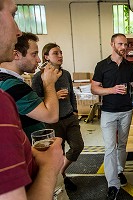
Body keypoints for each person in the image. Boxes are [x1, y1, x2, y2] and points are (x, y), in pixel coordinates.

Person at [0, 0, 64, 199]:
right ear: (16, 54)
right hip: (36, 176)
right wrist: (49, 166)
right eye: (13, 15)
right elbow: (51, 115)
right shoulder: (9, 89)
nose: (18, 31)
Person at [91, 33, 133, 200]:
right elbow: (94, 88)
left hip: (127, 111)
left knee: (122, 144)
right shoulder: (101, 65)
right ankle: (113, 183)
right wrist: (111, 90)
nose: (123, 47)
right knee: (110, 147)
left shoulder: (129, 66)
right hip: (108, 112)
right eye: (120, 44)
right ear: (112, 44)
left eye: (125, 44)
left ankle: (119, 171)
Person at [32, 43, 84, 191]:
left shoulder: (66, 74)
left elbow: (72, 93)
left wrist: (75, 110)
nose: (60, 55)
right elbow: (35, 102)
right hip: (52, 122)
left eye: (61, 52)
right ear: (46, 56)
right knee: (57, 153)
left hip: (70, 117)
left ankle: (61, 172)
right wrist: (54, 95)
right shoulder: (38, 77)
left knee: (78, 146)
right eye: (56, 53)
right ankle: (62, 179)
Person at [0, 32, 61, 142]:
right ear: (16, 55)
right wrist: (49, 83)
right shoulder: (12, 85)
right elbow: (51, 116)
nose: (38, 60)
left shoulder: (6, 80)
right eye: (34, 54)